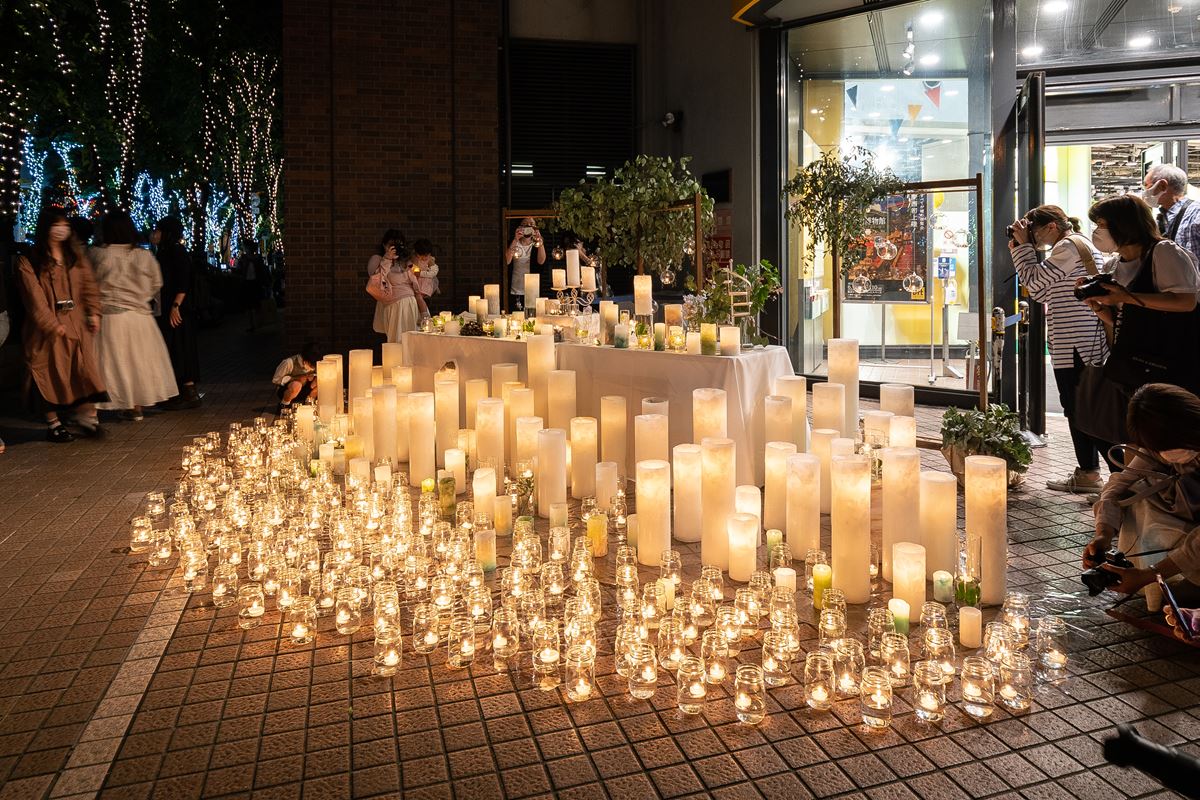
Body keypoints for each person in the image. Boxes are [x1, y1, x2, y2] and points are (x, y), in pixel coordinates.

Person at [1009, 205, 1111, 493]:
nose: (1035, 237)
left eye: (1036, 231)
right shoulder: (1071, 246)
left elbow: (1033, 281)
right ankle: (1090, 473)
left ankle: (1117, 477)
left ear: (1052, 226)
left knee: (1084, 409)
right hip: (1075, 341)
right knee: (1078, 408)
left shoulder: (1069, 246)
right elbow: (1041, 292)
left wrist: (1022, 248)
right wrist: (1025, 248)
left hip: (1078, 342)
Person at [1084, 384, 1200, 601]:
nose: (1167, 453)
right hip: (1189, 519)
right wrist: (1103, 533)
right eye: (1160, 448)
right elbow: (1117, 487)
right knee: (1135, 494)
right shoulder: (1161, 446)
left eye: (1173, 443)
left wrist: (1149, 575)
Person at [1084, 194, 1200, 399]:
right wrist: (1100, 307)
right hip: (1134, 368)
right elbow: (1128, 320)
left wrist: (1126, 297)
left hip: (1171, 365)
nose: (1097, 231)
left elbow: (1186, 302)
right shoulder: (1114, 265)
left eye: (1101, 224)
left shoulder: (1163, 252)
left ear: (1124, 224)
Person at [15, 206, 108, 442]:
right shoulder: (30, 260)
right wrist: (51, 324)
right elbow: (34, 298)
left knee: (83, 371)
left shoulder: (75, 257)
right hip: (46, 331)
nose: (61, 230)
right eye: (56, 225)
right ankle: (54, 423)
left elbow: (89, 287)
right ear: (46, 228)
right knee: (46, 373)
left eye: (65, 226)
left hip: (76, 325)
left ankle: (86, 417)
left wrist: (94, 313)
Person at [91, 211, 178, 420]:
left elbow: (87, 282)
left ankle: (114, 403)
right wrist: (142, 297)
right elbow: (157, 282)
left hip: (109, 316)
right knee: (139, 361)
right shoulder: (142, 255)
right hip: (140, 317)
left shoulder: (96, 254)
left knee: (113, 363)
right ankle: (136, 405)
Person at [153, 217, 202, 409]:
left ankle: (188, 392)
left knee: (180, 345)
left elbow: (183, 280)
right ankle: (182, 391)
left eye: (158, 230)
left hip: (177, 308)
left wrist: (176, 306)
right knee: (175, 346)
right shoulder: (164, 251)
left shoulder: (175, 251)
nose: (154, 234)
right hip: (168, 307)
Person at [367, 230, 427, 342]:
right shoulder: (378, 259)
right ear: (384, 245)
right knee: (397, 343)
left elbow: (418, 281)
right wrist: (387, 259)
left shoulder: (404, 261)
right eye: (391, 245)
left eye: (398, 245)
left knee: (412, 343)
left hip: (411, 306)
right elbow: (376, 282)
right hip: (395, 307)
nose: (395, 248)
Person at [1143, 164, 1200, 267]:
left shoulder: (1196, 215)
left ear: (1162, 185)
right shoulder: (1161, 219)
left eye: (1147, 185)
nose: (1144, 191)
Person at [505, 217, 546, 308]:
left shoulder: (537, 244)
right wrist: (516, 239)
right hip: (515, 289)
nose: (529, 226)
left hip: (532, 289)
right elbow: (507, 261)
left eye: (532, 224)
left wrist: (540, 242)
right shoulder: (514, 243)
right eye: (526, 224)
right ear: (520, 227)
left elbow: (541, 261)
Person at [272, 341, 321, 411]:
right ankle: (284, 406)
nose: (312, 367)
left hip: (305, 389)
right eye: (310, 363)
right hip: (288, 390)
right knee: (296, 385)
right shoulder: (289, 362)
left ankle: (309, 405)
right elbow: (275, 380)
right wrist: (296, 378)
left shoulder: (316, 362)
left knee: (321, 382)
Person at [237, 240, 270, 331]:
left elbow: (261, 271)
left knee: (255, 304)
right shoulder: (245, 258)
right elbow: (240, 269)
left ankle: (256, 323)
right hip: (248, 283)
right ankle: (253, 324)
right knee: (250, 305)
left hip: (255, 283)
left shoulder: (255, 258)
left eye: (246, 248)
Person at [410, 239, 440, 304]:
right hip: (416, 281)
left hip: (425, 281)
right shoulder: (414, 259)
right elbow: (411, 268)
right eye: (420, 256)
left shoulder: (429, 260)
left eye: (426, 255)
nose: (423, 258)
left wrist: (420, 273)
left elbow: (433, 272)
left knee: (421, 299)